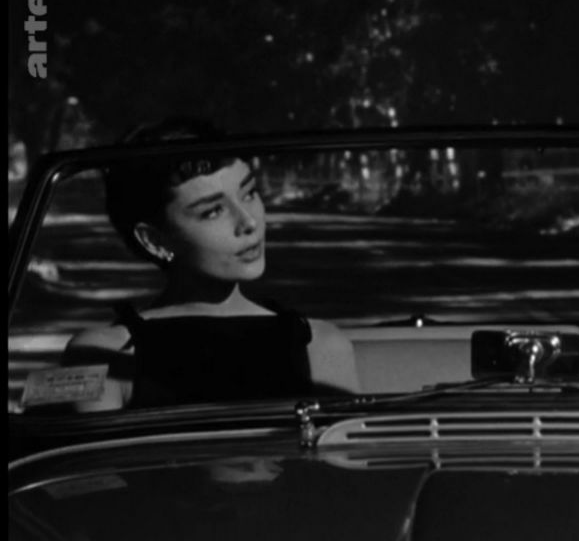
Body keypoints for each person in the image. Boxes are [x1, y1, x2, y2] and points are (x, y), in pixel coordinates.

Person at [61, 117, 360, 411]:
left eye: (249, 193)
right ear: (154, 241)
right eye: (213, 211)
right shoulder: (99, 354)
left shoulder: (320, 345)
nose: (249, 221)